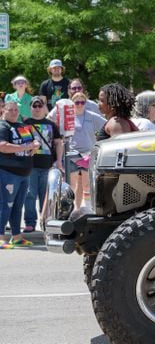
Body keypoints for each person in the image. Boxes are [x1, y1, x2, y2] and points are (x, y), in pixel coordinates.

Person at [48, 92, 106, 208]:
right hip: (71, 154)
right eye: (76, 102)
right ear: (72, 103)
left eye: (82, 102)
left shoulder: (91, 115)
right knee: (71, 185)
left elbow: (107, 125)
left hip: (88, 154)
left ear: (85, 103)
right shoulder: (67, 115)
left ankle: (87, 210)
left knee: (87, 185)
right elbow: (49, 118)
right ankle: (72, 210)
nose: (79, 105)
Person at [0, 101, 40, 249]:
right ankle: (1, 238)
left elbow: (32, 140)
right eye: (10, 110)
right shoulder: (2, 126)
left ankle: (16, 237)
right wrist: (25, 147)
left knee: (17, 207)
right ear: (3, 110)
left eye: (16, 110)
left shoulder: (21, 126)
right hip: (8, 173)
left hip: (24, 174)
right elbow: (2, 147)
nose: (14, 112)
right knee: (5, 205)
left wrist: (35, 144)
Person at [22, 96, 64, 233]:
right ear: (30, 108)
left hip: (47, 165)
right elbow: (21, 143)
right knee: (30, 195)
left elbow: (58, 143)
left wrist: (59, 161)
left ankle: (45, 222)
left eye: (40, 105)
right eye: (35, 105)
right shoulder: (25, 123)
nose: (38, 108)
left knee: (46, 195)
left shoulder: (51, 124)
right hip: (30, 165)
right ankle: (30, 222)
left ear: (45, 107)